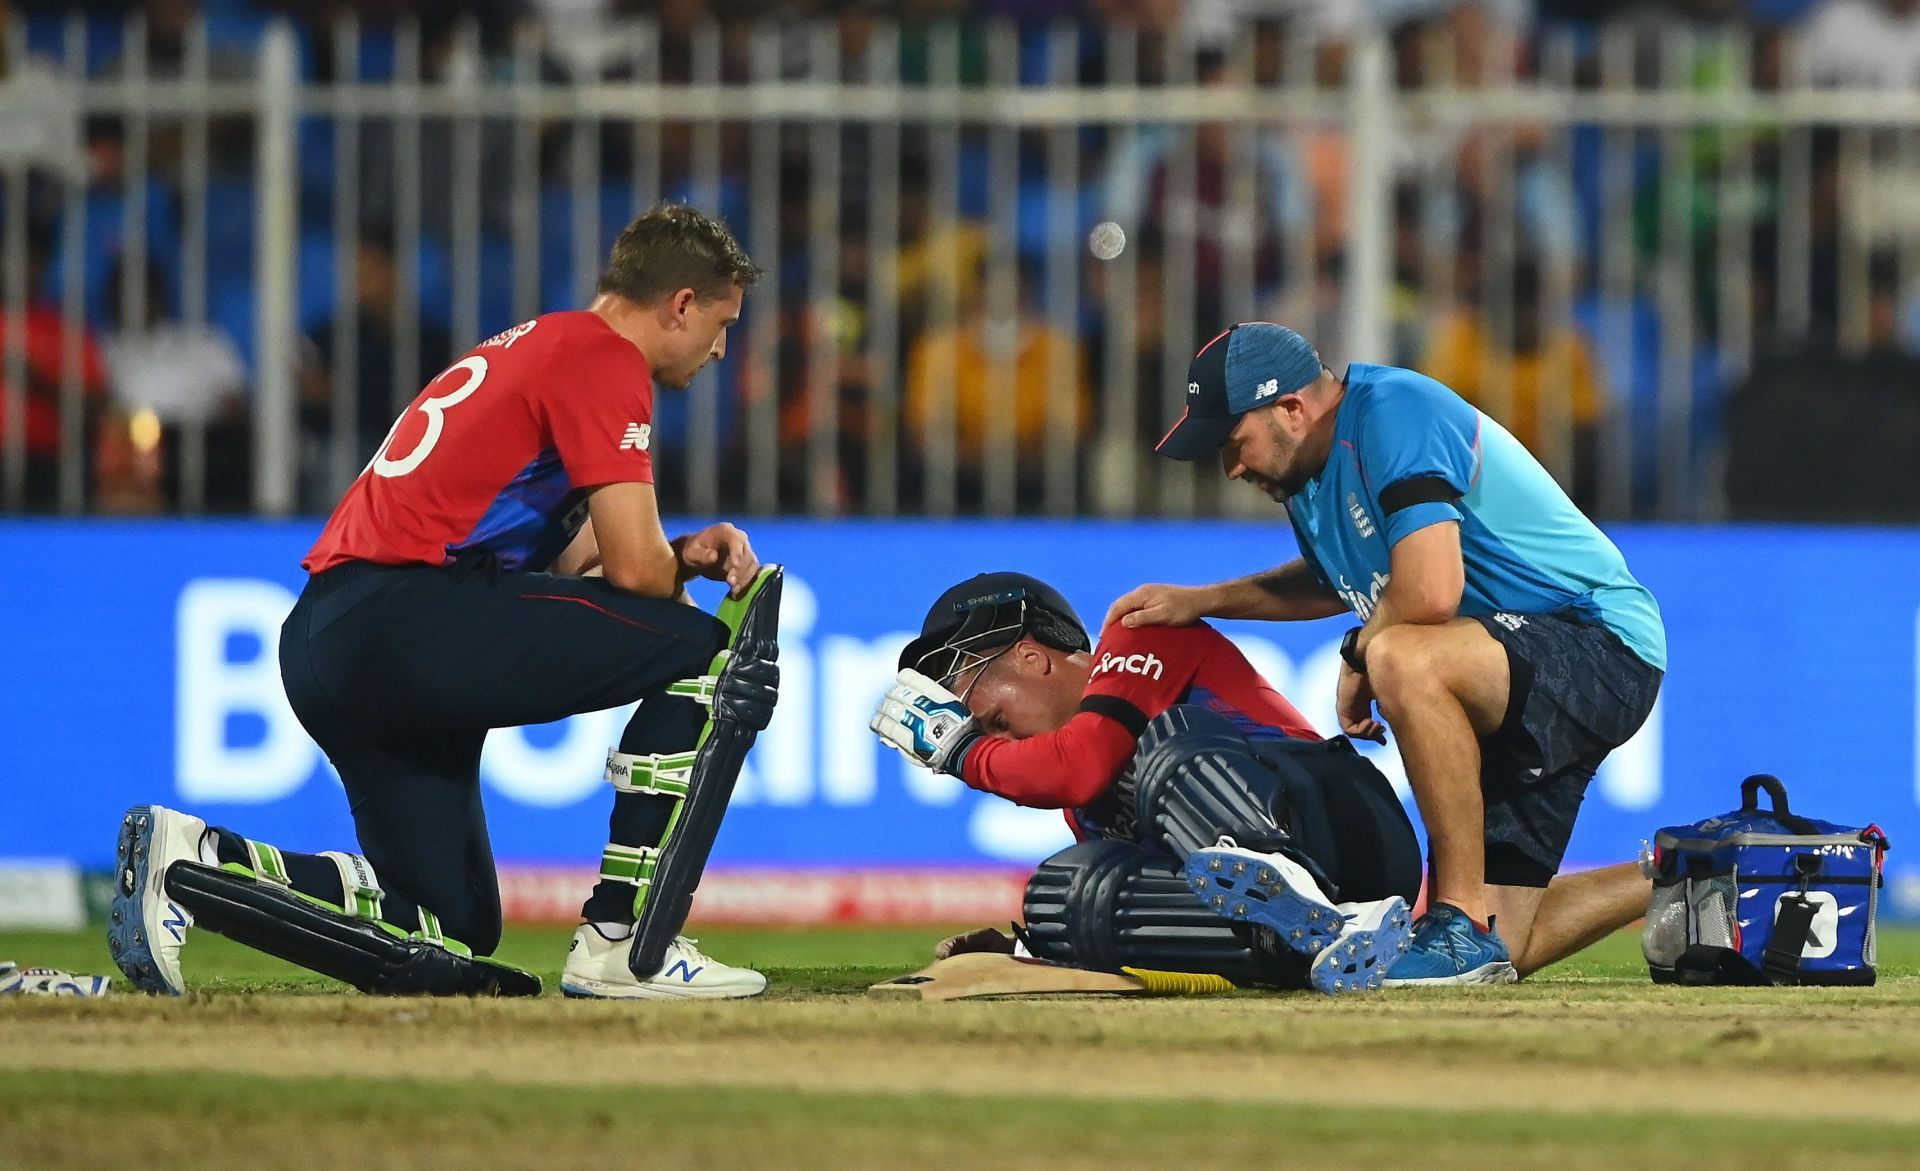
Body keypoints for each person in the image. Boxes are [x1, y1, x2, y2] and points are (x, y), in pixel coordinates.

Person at [108, 205, 783, 1001]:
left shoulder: (542, 344)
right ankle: (624, 939)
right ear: (680, 303)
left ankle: (193, 863)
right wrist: (667, 566)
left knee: (451, 921)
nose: (720, 349)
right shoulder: (604, 361)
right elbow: (635, 579)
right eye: (720, 322)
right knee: (709, 651)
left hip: (338, 631)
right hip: (402, 618)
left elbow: (572, 565)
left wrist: (677, 554)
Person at [1119, 322, 1663, 986]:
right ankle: (1688, 871)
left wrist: (1357, 653)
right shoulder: (1309, 478)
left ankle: (1456, 919)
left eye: (1235, 444)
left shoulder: (1392, 411)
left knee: (1404, 657)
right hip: (1511, 665)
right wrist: (1205, 599)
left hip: (1597, 641)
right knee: (1507, 942)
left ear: (1290, 408)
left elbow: (1431, 590)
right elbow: (1337, 579)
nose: (1232, 468)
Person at [872, 571, 1421, 995]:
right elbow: (1158, 883)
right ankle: (1312, 939)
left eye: (993, 720)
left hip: (1351, 826)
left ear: (1031, 656)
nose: (999, 739)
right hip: (1311, 908)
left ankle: (1319, 903)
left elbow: (1075, 766)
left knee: (1168, 750)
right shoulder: (1087, 801)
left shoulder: (1142, 634)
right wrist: (1031, 945)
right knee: (1064, 893)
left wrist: (963, 752)